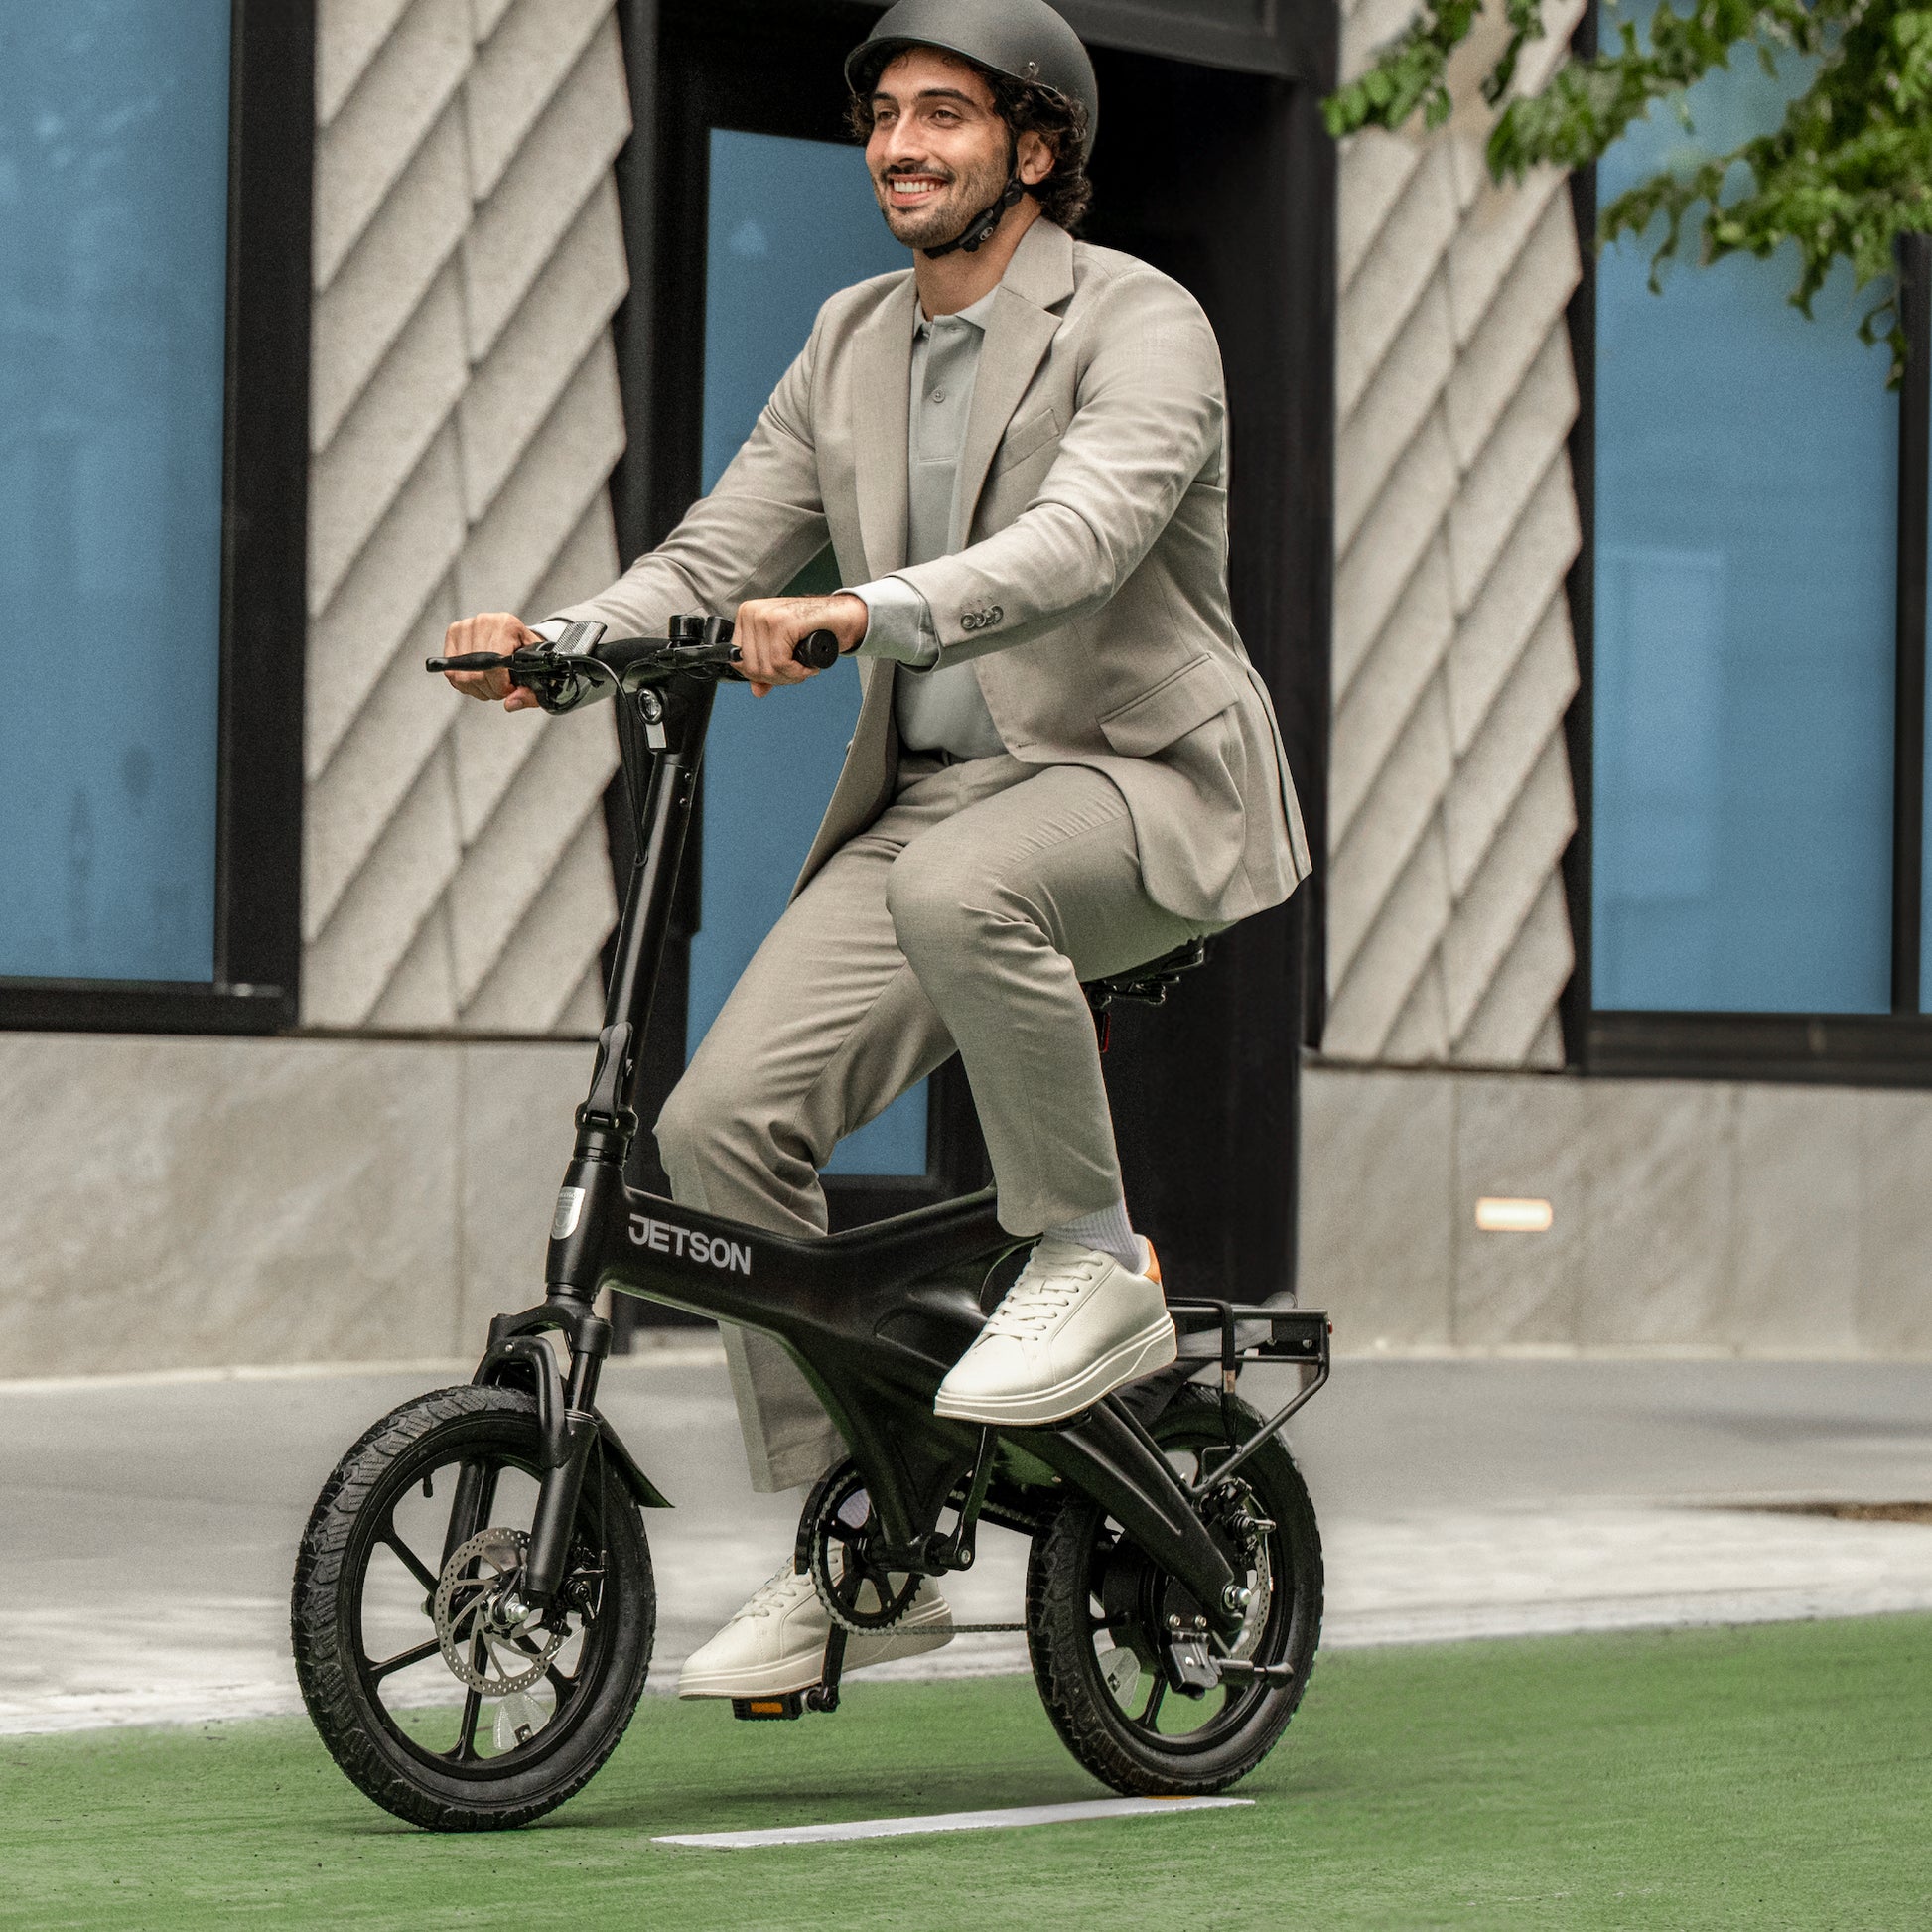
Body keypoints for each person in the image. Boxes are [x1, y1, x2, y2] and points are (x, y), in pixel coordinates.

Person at [441, 0, 1310, 1702]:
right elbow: (719, 549)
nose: (900, 147)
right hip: (933, 810)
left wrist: (865, 608)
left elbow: (1081, 540)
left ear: (1035, 149)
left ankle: (1089, 1256)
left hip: (1139, 782)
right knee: (716, 1131)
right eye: (885, 117)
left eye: (944, 115)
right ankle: (878, 1539)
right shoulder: (850, 338)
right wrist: (562, 646)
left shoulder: (1141, 320)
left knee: (960, 884)